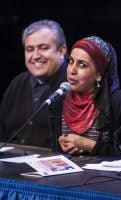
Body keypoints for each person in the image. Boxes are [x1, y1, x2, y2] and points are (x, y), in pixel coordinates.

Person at [56, 36, 121, 158]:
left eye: (82, 65)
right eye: (71, 61)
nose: (72, 70)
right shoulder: (61, 98)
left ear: (99, 75)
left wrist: (88, 145)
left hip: (109, 176)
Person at [0, 19, 68, 148]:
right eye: (29, 49)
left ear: (62, 50)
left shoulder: (73, 84)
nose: (35, 56)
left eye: (44, 48)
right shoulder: (18, 83)